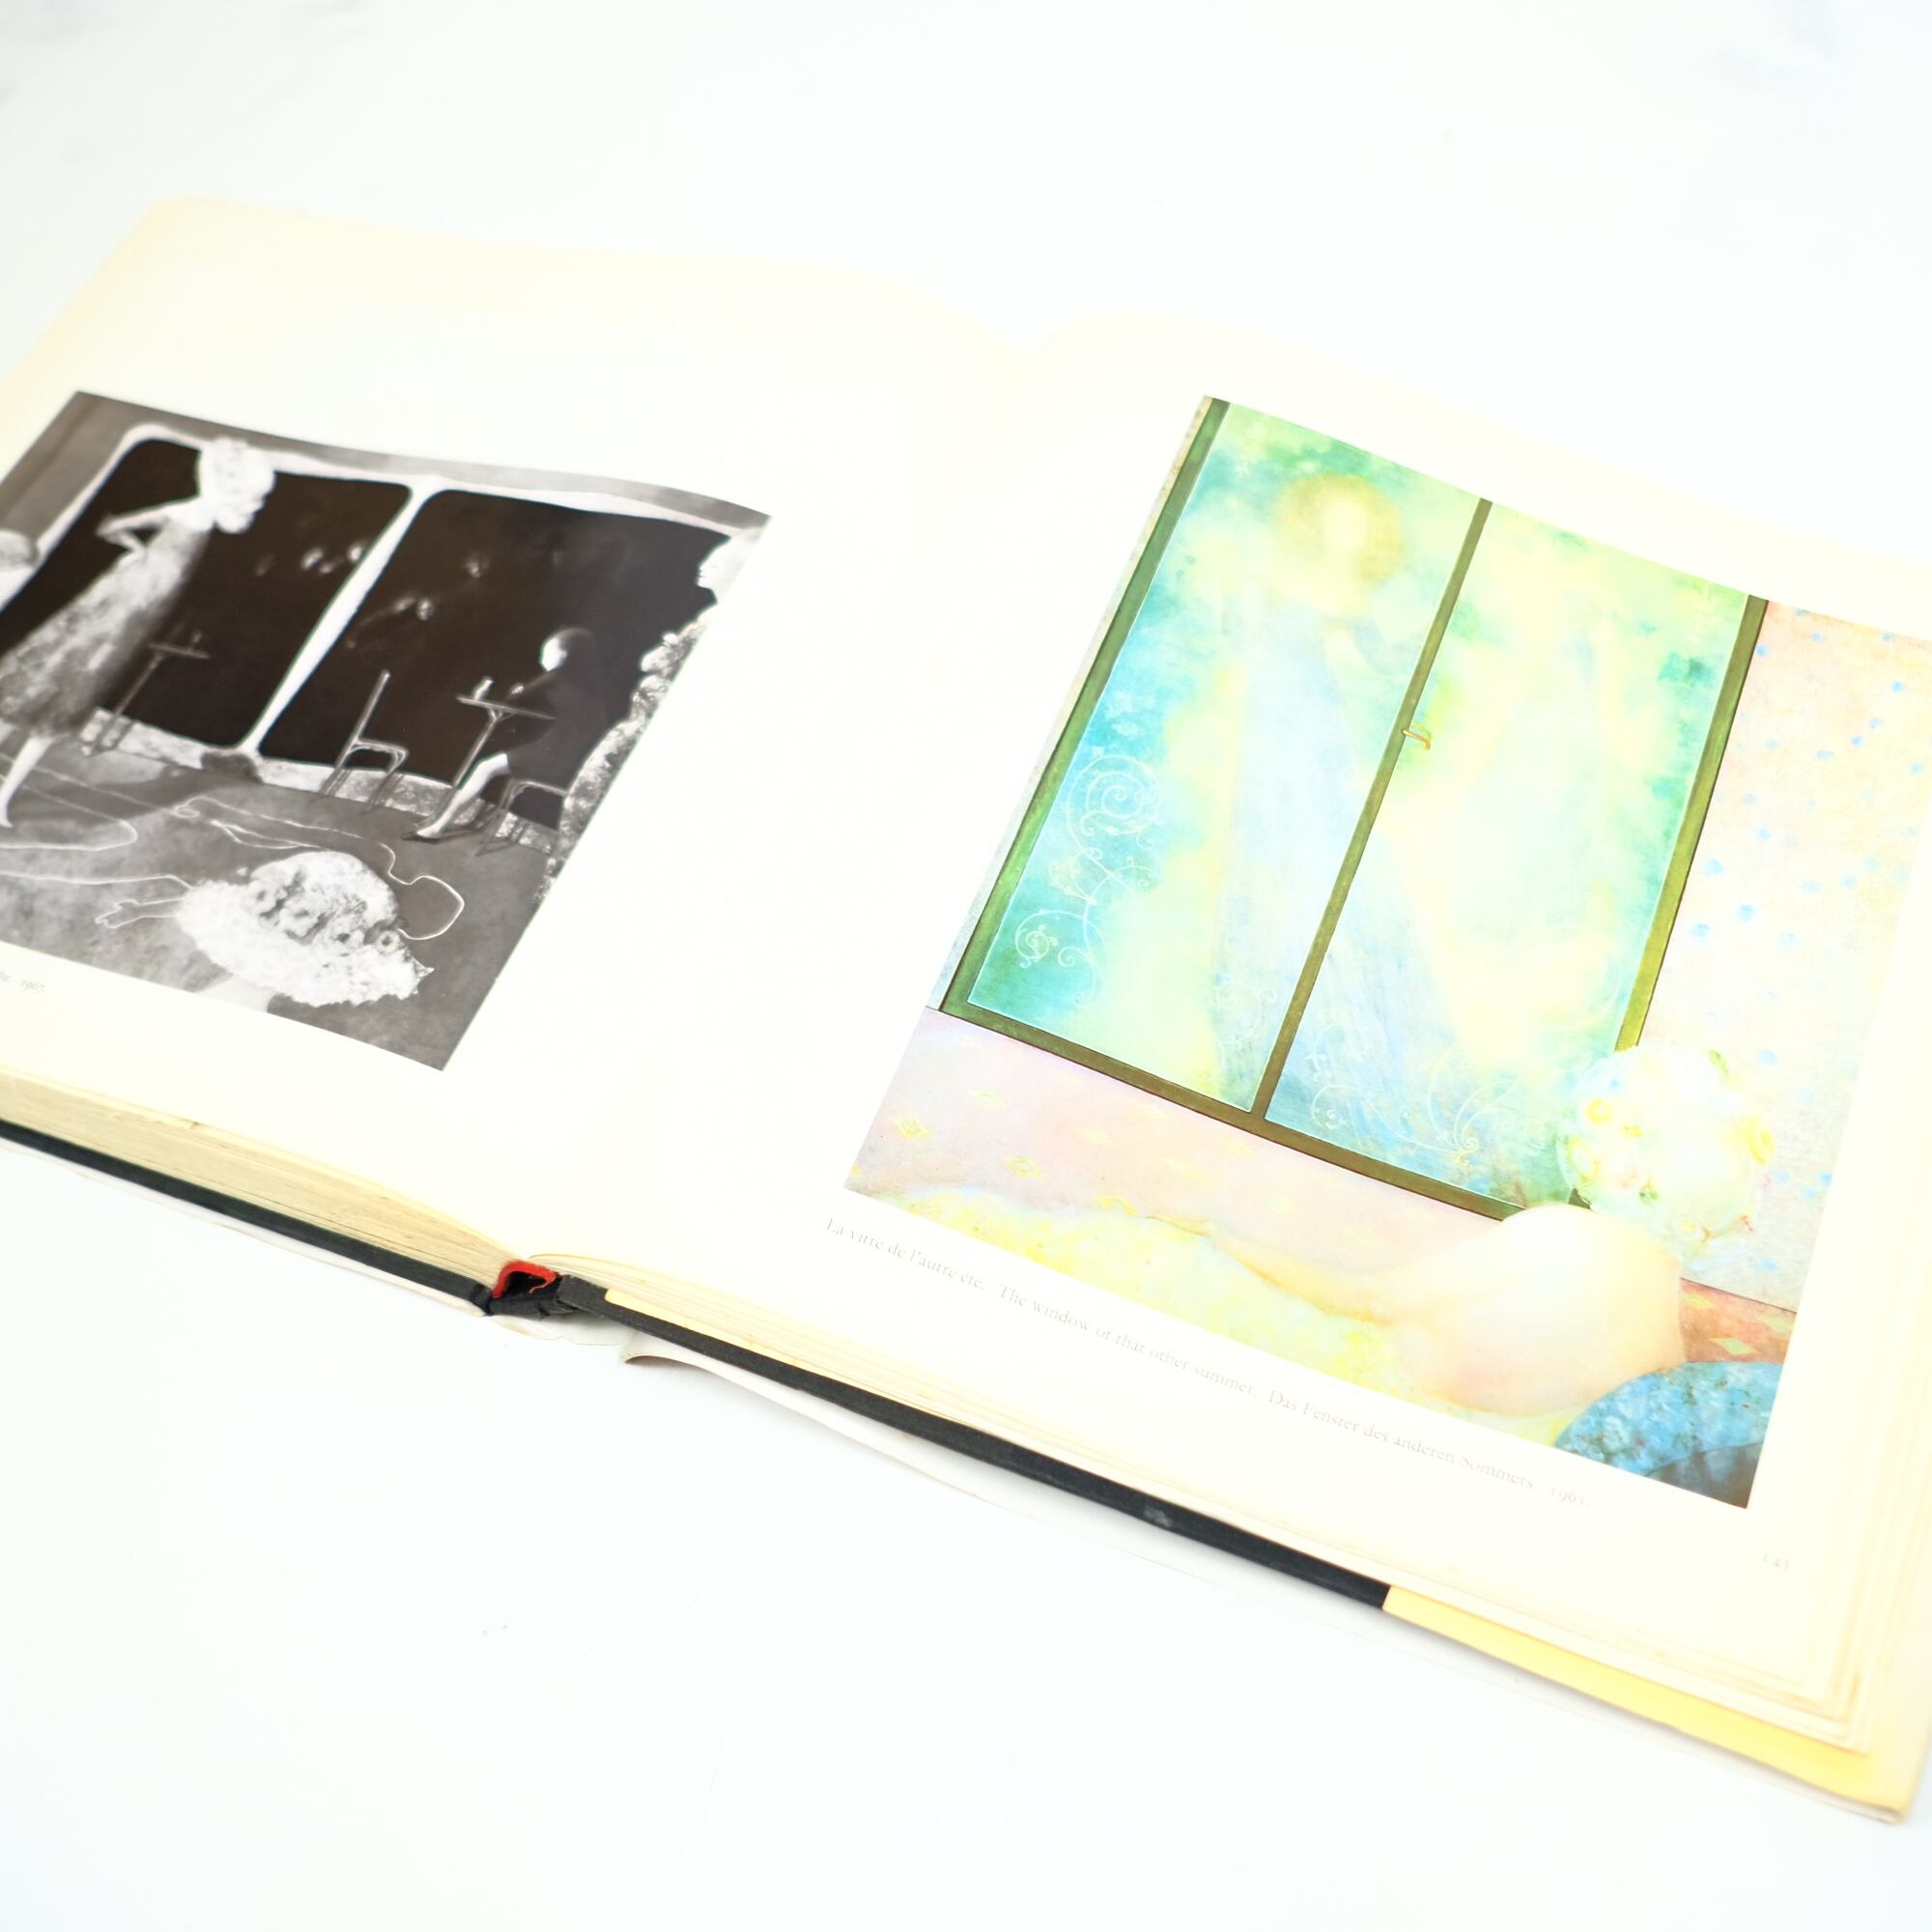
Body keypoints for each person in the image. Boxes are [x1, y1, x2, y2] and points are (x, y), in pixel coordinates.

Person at [0, 439, 276, 828]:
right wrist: (136, 552)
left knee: (60, 710)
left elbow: (230, 529)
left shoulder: (204, 520)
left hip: (132, 622)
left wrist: (141, 555)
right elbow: (111, 525)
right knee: (27, 693)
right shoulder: (183, 511)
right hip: (111, 607)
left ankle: (3, 798)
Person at [411, 624, 605, 841]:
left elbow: (515, 699)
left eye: (547, 652)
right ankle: (439, 823)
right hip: (572, 756)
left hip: (556, 754)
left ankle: (438, 827)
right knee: (489, 767)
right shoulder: (584, 682)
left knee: (484, 768)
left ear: (563, 655)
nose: (541, 658)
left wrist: (495, 693)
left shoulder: (555, 676)